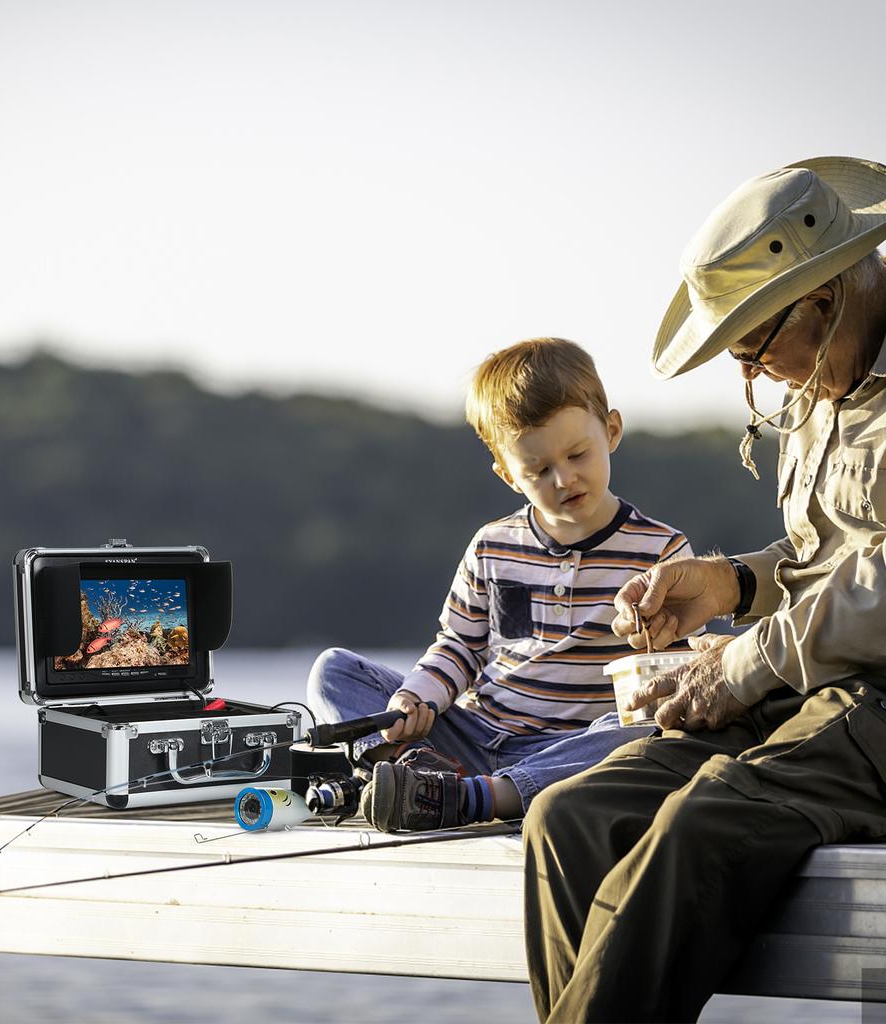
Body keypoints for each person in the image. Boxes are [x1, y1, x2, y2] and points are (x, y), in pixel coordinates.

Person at [523, 156, 886, 1023]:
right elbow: (823, 559)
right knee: (569, 817)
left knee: (703, 823)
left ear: (824, 297)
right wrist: (728, 582)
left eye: (756, 347)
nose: (756, 379)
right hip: (814, 696)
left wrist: (746, 664)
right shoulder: (821, 384)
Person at [306, 337, 696, 832]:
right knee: (334, 671)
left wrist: (656, 641)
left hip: (571, 749)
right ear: (509, 475)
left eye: (578, 454)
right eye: (539, 470)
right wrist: (417, 697)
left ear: (612, 431)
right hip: (476, 732)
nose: (564, 479)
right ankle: (418, 773)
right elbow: (459, 647)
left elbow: (678, 670)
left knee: (642, 733)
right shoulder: (493, 545)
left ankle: (480, 797)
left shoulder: (660, 551)